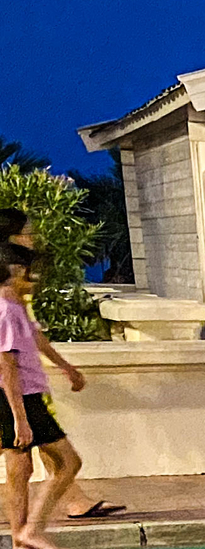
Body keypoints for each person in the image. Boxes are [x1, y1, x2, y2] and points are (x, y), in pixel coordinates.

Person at [0, 217, 123, 527]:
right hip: (14, 386)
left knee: (31, 451)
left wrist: (64, 366)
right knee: (24, 453)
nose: (32, 238)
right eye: (26, 233)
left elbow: (31, 332)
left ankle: (49, 515)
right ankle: (28, 529)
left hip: (23, 385)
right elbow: (9, 354)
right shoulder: (8, 288)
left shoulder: (16, 287)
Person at [1, 245, 91, 549]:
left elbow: (35, 338)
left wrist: (65, 366)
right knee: (68, 463)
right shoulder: (6, 310)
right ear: (13, 271)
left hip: (26, 397)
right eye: (29, 271)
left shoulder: (16, 305)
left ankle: (21, 547)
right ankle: (31, 533)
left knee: (22, 469)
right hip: (20, 399)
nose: (34, 278)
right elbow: (7, 366)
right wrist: (20, 418)